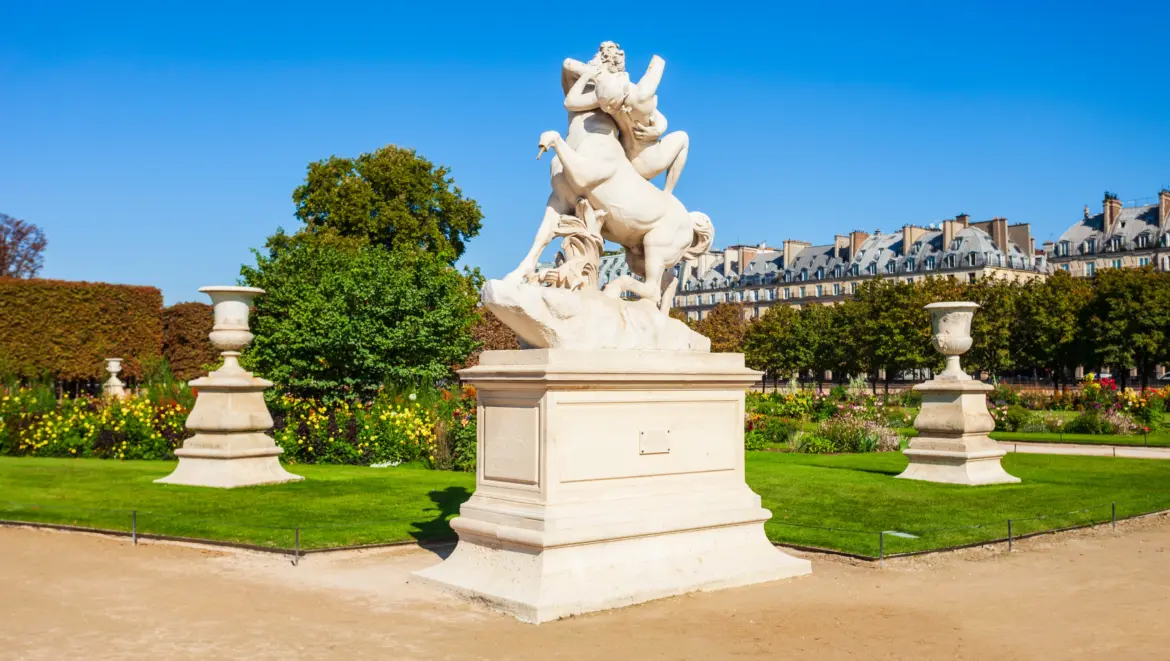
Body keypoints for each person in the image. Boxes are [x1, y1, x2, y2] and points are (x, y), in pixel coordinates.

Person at [563, 42, 689, 194]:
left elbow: (569, 92)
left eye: (595, 58)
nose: (590, 61)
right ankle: (667, 193)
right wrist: (658, 130)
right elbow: (657, 115)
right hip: (649, 158)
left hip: (629, 161)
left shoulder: (605, 95)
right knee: (683, 137)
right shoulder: (628, 92)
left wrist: (588, 74)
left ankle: (667, 193)